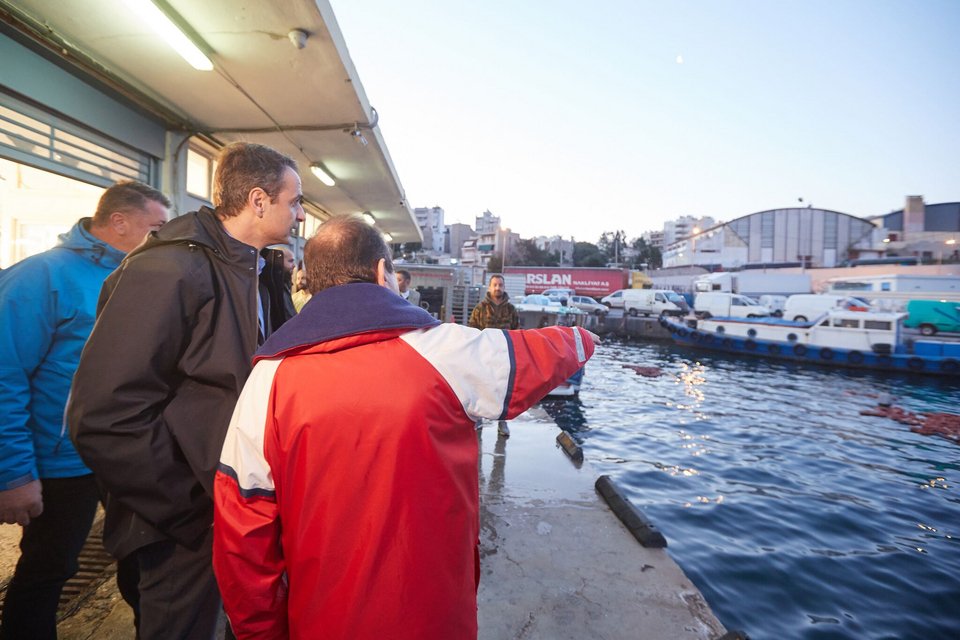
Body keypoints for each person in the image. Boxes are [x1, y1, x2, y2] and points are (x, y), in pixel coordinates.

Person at [213, 215, 596, 640]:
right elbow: (542, 352)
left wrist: (262, 633)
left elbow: (241, 529)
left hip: (321, 621)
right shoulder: (446, 351)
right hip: (433, 620)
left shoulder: (268, 379)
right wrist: (582, 339)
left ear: (312, 279)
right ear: (383, 273)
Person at [66, 142, 304, 640]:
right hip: (183, 521)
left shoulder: (253, 271)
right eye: (295, 201)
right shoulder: (170, 268)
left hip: (227, 505)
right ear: (259, 201)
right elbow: (104, 414)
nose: (301, 215)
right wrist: (190, 507)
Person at [0, 181, 170, 640]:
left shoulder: (140, 277)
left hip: (122, 455)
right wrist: (13, 473)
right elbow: (4, 375)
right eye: (155, 227)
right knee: (49, 568)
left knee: (142, 560)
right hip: (61, 462)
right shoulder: (40, 278)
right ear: (119, 221)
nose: (162, 237)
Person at [468, 274, 520, 436]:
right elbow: (471, 331)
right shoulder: (480, 308)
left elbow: (516, 333)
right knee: (479, 388)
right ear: (489, 287)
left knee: (504, 390)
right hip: (484, 357)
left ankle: (502, 422)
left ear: (504, 287)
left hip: (504, 357)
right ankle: (478, 419)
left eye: (500, 285)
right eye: (495, 285)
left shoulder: (511, 310)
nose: (498, 288)